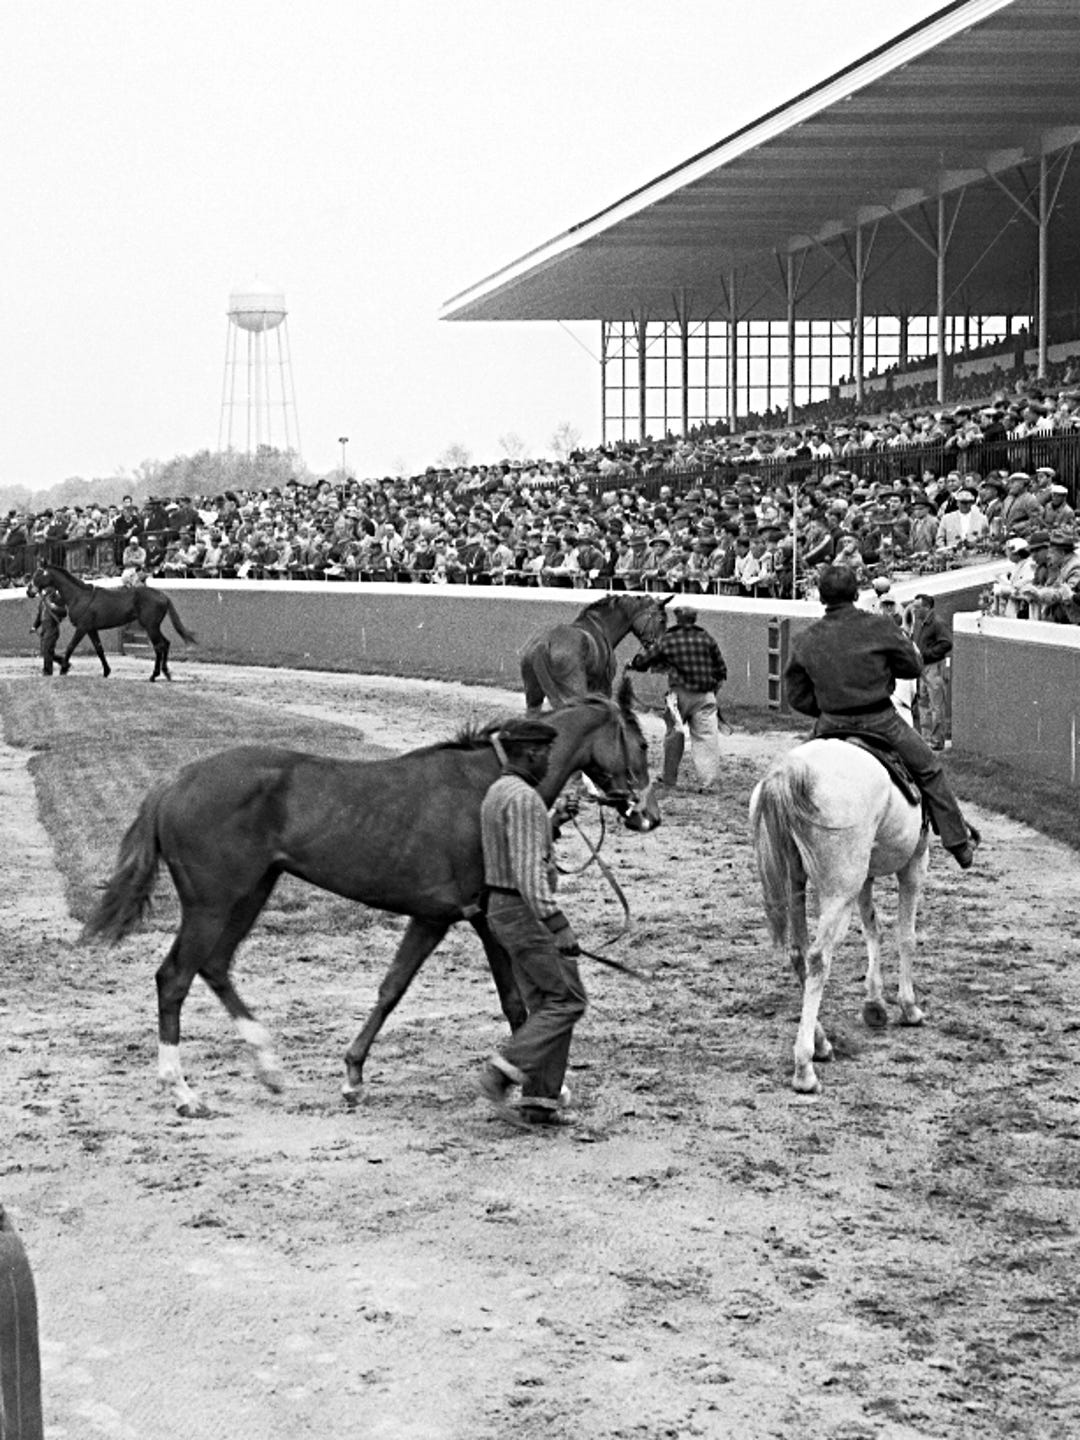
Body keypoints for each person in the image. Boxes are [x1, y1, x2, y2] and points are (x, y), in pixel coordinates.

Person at [783, 566, 978, 868]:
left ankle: (788, 848)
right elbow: (912, 667)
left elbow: (796, 695)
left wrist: (825, 708)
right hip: (880, 719)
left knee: (790, 778)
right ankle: (958, 842)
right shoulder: (879, 626)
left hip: (830, 722)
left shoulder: (806, 638)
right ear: (855, 592)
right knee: (928, 768)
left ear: (821, 596)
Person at [478, 718, 586, 1129]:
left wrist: (554, 822)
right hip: (525, 913)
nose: (549, 762)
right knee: (567, 1000)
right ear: (530, 753)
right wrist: (559, 925)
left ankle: (539, 1101)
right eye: (545, 754)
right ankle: (502, 1070)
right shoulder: (523, 799)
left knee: (545, 1003)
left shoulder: (499, 793)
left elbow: (517, 850)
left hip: (503, 911)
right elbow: (527, 874)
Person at [628, 605, 727, 788]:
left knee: (674, 735)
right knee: (706, 738)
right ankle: (710, 783)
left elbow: (647, 659)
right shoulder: (706, 638)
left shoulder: (669, 639)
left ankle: (669, 779)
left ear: (678, 619)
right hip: (705, 696)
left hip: (679, 696)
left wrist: (635, 664)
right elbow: (721, 670)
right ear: (694, 619)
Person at [909, 593, 953, 750]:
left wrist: (926, 653)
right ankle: (926, 738)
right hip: (923, 668)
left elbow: (947, 643)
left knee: (936, 705)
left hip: (934, 667)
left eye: (917, 607)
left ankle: (936, 741)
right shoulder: (921, 623)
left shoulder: (937, 623)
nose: (914, 610)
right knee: (923, 703)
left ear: (926, 607)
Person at [31, 583, 66, 675]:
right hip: (44, 628)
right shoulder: (42, 602)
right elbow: (39, 616)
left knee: (47, 650)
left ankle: (47, 671)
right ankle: (63, 662)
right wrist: (34, 626)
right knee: (45, 651)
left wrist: (55, 607)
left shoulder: (57, 599)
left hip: (52, 627)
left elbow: (64, 612)